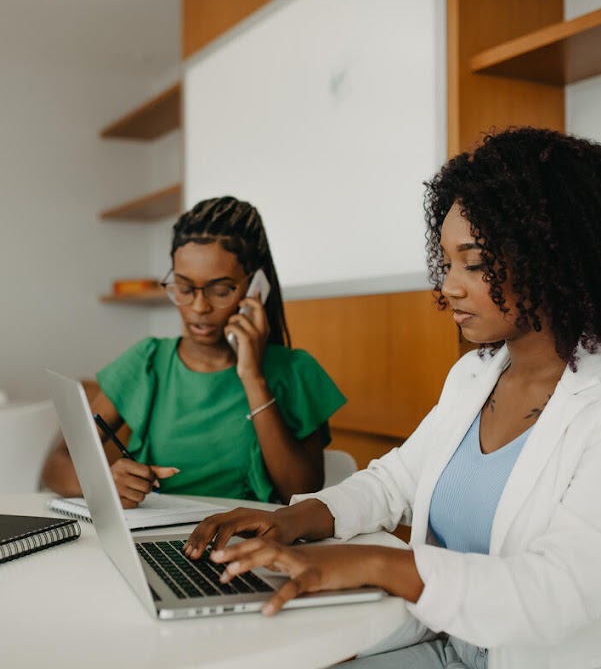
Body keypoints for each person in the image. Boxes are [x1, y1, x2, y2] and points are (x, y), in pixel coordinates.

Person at [182, 128, 601, 669]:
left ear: (553, 258)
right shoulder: (475, 376)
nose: (449, 286)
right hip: (442, 641)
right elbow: (395, 480)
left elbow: (558, 588)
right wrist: (292, 520)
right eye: (447, 262)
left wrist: (375, 565)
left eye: (474, 263)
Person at [42, 196, 346, 506]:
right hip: (156, 538)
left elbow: (303, 493)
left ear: (256, 286)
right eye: (185, 289)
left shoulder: (295, 370)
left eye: (221, 290)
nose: (199, 307)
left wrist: (253, 377)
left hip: (250, 543)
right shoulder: (148, 362)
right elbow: (56, 465)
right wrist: (104, 481)